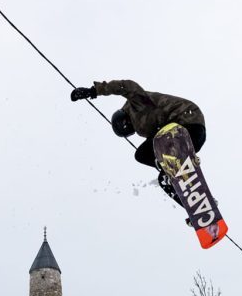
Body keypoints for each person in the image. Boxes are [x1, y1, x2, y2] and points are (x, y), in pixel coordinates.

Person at [69, 80, 205, 206]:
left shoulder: (136, 104)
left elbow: (127, 86)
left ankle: (168, 164)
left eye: (127, 125)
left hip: (186, 120)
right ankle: (197, 206)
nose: (131, 127)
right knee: (164, 181)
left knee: (142, 154)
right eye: (129, 130)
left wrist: (94, 91)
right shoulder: (143, 128)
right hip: (195, 137)